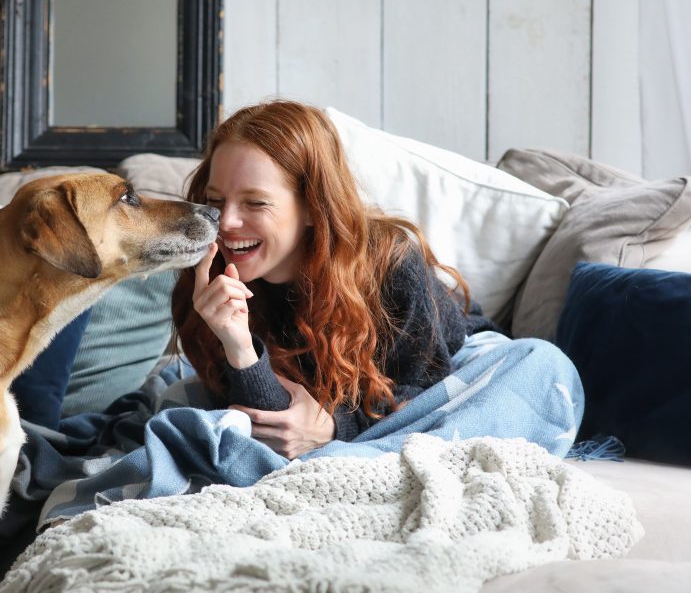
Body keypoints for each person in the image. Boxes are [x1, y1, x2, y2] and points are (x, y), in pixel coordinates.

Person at [171, 100, 498, 459]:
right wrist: (240, 347)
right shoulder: (205, 282)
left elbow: (422, 400)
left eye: (256, 203)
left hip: (449, 360)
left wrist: (334, 428)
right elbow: (271, 430)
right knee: (175, 407)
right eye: (216, 200)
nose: (228, 222)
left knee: (540, 361)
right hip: (346, 403)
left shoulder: (390, 265)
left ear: (313, 207)